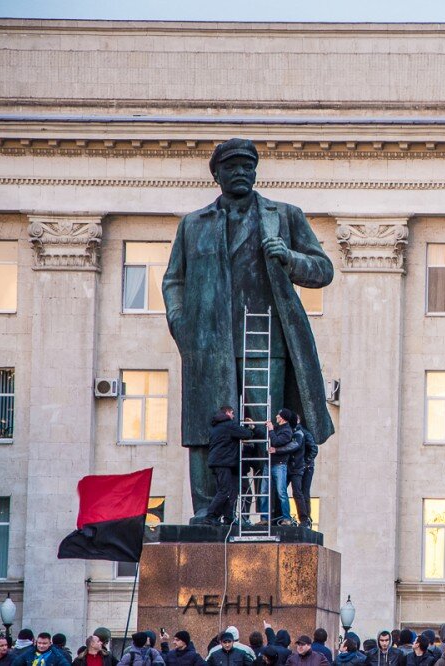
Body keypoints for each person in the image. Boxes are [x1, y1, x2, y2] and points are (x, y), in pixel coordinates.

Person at [162, 137, 336, 517]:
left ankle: (270, 512)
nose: (241, 172)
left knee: (265, 433)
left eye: (247, 166)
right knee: (209, 434)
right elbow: (174, 280)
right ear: (216, 173)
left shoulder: (284, 215)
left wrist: (289, 257)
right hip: (209, 347)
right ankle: (210, 514)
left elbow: (323, 270)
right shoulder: (193, 225)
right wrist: (182, 326)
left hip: (266, 340)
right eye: (231, 166)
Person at [199, 406, 260, 526]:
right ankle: (210, 515)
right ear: (227, 413)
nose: (233, 416)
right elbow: (246, 434)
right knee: (225, 491)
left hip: (221, 463)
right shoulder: (228, 425)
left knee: (230, 491)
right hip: (223, 463)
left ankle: (228, 517)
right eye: (232, 413)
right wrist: (252, 427)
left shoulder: (217, 426)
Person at [261, 409, 298, 526]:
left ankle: (287, 518)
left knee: (281, 492)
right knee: (263, 492)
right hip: (269, 463)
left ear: (282, 418)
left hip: (279, 465)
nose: (276, 416)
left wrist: (271, 429)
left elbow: (276, 442)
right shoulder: (279, 428)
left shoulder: (287, 431)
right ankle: (264, 518)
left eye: (278, 415)